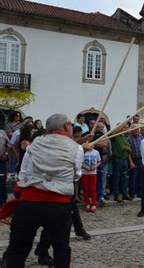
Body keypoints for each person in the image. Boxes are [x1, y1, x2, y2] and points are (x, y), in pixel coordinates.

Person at [4, 114, 83, 267]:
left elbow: (24, 171)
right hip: (57, 206)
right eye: (71, 125)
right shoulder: (76, 148)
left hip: (29, 204)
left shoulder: (34, 144)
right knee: (61, 248)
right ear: (66, 126)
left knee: (17, 249)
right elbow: (76, 176)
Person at [110, 123, 132, 202]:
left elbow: (129, 149)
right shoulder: (115, 136)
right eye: (123, 127)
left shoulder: (124, 137)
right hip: (117, 159)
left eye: (125, 127)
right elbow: (113, 133)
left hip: (124, 159)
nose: (124, 129)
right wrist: (121, 126)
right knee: (116, 178)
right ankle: (116, 195)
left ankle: (125, 194)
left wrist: (128, 149)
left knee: (124, 178)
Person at [81, 147, 101, 213]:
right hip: (84, 173)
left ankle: (94, 204)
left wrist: (95, 166)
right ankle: (87, 203)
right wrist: (84, 166)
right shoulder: (83, 152)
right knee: (85, 189)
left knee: (92, 189)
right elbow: (79, 162)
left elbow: (99, 161)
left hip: (93, 173)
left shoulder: (96, 152)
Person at [127, 124, 144, 199]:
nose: (137, 131)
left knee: (141, 177)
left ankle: (139, 192)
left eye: (138, 129)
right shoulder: (128, 138)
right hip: (133, 159)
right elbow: (128, 152)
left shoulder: (141, 138)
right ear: (131, 130)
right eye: (135, 129)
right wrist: (131, 161)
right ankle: (132, 193)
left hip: (141, 159)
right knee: (133, 177)